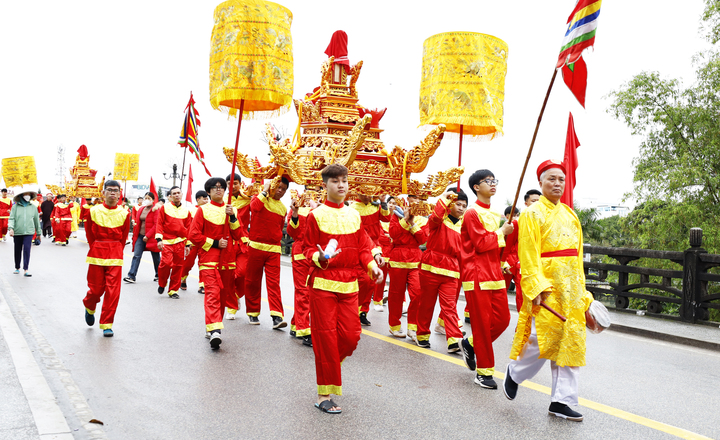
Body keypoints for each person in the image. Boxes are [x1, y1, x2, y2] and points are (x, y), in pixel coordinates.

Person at [503, 160, 595, 422]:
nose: (557, 183)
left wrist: (583, 292)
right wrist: (536, 286)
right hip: (547, 286)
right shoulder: (531, 214)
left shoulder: (570, 215)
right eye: (552, 179)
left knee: (571, 341)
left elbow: (577, 256)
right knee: (541, 339)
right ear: (541, 182)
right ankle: (515, 372)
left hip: (571, 287)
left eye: (561, 179)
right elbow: (528, 253)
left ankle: (562, 401)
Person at [302, 164, 382, 414]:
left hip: (349, 285)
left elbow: (363, 248)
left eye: (344, 180)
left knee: (351, 336)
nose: (341, 185)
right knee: (325, 338)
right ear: (325, 185)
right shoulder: (315, 215)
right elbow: (306, 248)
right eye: (335, 181)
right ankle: (324, 395)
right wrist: (319, 256)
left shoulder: (354, 215)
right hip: (323, 284)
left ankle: (329, 367)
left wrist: (372, 266)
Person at [459, 169, 514, 389]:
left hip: (494, 273)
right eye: (487, 181)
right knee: (482, 325)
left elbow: (500, 246)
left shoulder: (498, 215)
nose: (493, 184)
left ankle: (470, 344)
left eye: (494, 181)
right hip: (476, 273)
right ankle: (484, 372)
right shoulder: (472, 213)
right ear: (476, 187)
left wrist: (506, 231)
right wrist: (502, 232)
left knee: (503, 320)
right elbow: (481, 244)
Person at [188, 177, 243, 349]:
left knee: (222, 296)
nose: (218, 189)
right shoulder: (202, 210)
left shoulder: (232, 210)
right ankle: (215, 330)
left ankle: (212, 324)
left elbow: (238, 235)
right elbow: (193, 235)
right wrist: (214, 243)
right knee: (212, 293)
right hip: (209, 259)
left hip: (228, 259)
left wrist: (232, 217)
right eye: (214, 187)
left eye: (221, 187)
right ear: (209, 191)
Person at [415, 189, 468, 352]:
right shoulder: (439, 219)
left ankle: (454, 340)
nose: (461, 208)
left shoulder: (464, 225)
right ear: (450, 204)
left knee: (450, 306)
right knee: (426, 304)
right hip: (431, 266)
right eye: (458, 204)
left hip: (451, 270)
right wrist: (444, 198)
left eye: (464, 206)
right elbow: (435, 218)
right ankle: (422, 335)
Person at [82, 180, 131, 337]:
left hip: (115, 255)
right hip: (97, 253)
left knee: (113, 291)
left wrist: (117, 250)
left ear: (119, 193)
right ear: (103, 193)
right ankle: (89, 306)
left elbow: (124, 236)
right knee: (96, 289)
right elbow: (89, 233)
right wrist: (96, 246)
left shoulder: (125, 213)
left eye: (115, 190)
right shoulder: (93, 211)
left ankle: (107, 324)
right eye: (109, 190)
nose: (112, 193)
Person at [245, 176, 289, 329]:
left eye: (284, 189)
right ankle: (253, 312)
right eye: (279, 187)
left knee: (274, 283)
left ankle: (277, 316)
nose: (280, 191)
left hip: (274, 250)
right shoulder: (260, 199)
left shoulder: (283, 208)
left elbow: (280, 227)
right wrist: (264, 191)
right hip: (256, 247)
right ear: (272, 186)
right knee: (252, 281)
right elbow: (254, 208)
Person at [387, 195, 428, 339]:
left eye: (418, 198)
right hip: (398, 258)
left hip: (415, 260)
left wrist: (412, 223)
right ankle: (394, 325)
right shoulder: (397, 214)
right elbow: (394, 234)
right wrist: (405, 219)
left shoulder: (424, 219)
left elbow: (422, 239)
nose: (416, 200)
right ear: (407, 199)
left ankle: (413, 327)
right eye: (413, 197)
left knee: (417, 294)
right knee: (396, 295)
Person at [351, 193, 389, 324]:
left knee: (371, 282)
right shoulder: (352, 208)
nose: (367, 196)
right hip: (359, 247)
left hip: (375, 248)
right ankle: (354, 309)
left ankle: (363, 311)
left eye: (370, 193)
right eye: (364, 193)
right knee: (362, 280)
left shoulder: (376, 206)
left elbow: (386, 218)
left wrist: (383, 202)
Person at [286, 192, 316, 346]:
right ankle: (305, 330)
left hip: (317, 255)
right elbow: (292, 232)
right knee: (303, 292)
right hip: (301, 254)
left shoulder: (324, 207)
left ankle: (295, 324)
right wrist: (295, 213)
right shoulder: (296, 207)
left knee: (313, 293)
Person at [156, 186, 192, 299]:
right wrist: (159, 239)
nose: (177, 195)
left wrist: (188, 244)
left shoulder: (186, 211)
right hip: (167, 241)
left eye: (178, 193)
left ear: (181, 195)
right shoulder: (165, 208)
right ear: (170, 196)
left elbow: (189, 228)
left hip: (180, 242)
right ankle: (162, 283)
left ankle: (173, 290)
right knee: (166, 263)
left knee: (178, 266)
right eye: (174, 193)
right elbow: (159, 223)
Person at [224, 174, 252, 320]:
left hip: (243, 240)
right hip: (227, 242)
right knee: (229, 276)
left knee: (242, 273)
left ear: (240, 184)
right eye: (229, 183)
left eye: (235, 183)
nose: (232, 186)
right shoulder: (223, 201)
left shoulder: (248, 198)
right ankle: (232, 307)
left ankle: (236, 295)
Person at [124, 192, 161, 283]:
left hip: (152, 237)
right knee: (136, 255)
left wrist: (148, 235)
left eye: (149, 198)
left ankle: (159, 275)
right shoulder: (141, 209)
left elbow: (156, 225)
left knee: (156, 257)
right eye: (145, 198)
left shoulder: (155, 210)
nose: (147, 200)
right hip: (140, 236)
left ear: (153, 200)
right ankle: (131, 276)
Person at [8, 188, 42, 276]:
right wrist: (11, 228)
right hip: (17, 232)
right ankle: (17, 267)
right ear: (21, 196)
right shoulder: (15, 207)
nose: (27, 196)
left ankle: (26, 269)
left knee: (27, 249)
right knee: (17, 250)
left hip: (29, 232)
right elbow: (11, 218)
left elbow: (36, 221)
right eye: (25, 194)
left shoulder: (33, 207)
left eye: (29, 194)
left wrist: (39, 233)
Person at [181, 190, 209, 293]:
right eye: (204, 199)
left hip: (204, 242)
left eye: (207, 199)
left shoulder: (209, 211)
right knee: (188, 263)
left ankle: (202, 285)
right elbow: (188, 228)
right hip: (192, 242)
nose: (206, 201)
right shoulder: (191, 211)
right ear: (198, 199)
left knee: (204, 264)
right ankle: (183, 278)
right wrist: (187, 242)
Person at [501, 206, 522, 312]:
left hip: (519, 262)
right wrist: (503, 263)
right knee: (501, 292)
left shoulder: (522, 224)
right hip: (509, 263)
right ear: (507, 216)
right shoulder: (509, 226)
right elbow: (506, 246)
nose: (515, 217)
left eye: (517, 215)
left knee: (521, 293)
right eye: (513, 215)